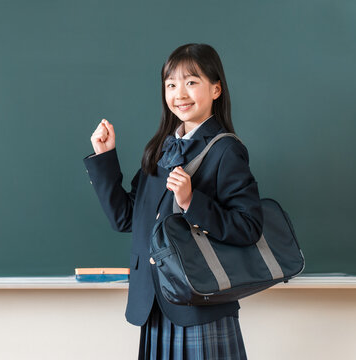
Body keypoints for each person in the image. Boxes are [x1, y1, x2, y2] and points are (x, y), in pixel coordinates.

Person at [83, 43, 263, 360]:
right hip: (154, 302)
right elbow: (126, 218)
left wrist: (192, 200)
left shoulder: (226, 151)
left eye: (191, 82)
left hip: (200, 305)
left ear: (216, 88)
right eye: (171, 84)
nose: (179, 93)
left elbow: (248, 228)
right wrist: (105, 158)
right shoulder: (162, 149)